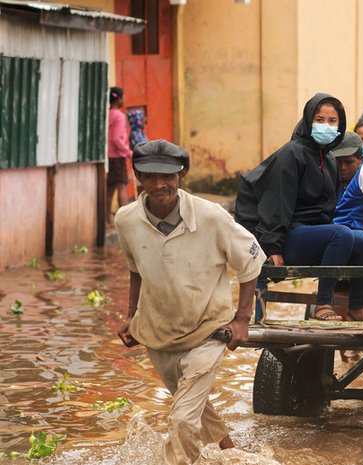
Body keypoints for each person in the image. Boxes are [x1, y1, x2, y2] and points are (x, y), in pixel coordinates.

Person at [114, 139, 265, 465]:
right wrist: (131, 315)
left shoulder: (211, 217)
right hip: (160, 334)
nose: (159, 184)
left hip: (208, 331)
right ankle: (232, 456)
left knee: (183, 418)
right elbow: (135, 268)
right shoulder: (126, 220)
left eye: (167, 176)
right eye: (150, 176)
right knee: (195, 408)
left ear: (181, 175)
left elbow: (251, 260)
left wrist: (241, 319)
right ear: (138, 176)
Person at [235, 93, 363, 321]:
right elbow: (277, 203)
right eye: (319, 120)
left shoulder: (329, 159)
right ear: (308, 120)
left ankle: (357, 306)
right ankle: (323, 304)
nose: (326, 126)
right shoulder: (291, 153)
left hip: (314, 235)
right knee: (341, 234)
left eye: (332, 121)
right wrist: (273, 248)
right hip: (289, 236)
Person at [107, 87, 133, 225]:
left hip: (108, 156)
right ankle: (125, 221)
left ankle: (107, 219)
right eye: (123, 97)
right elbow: (117, 138)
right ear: (118, 100)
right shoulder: (119, 116)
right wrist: (129, 153)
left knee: (110, 189)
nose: (124, 100)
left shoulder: (107, 114)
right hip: (117, 157)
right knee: (122, 187)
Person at [331, 131, 363, 201]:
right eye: (338, 162)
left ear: (360, 159)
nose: (343, 167)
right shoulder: (326, 184)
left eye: (349, 162)